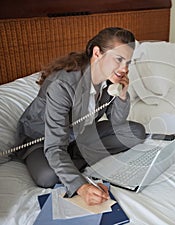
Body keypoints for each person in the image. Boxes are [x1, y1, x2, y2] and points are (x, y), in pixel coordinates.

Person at [15, 27, 146, 205]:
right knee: (47, 177)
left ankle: (73, 157)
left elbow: (117, 122)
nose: (124, 69)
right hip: (42, 139)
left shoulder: (109, 80)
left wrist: (122, 94)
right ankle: (74, 161)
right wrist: (81, 186)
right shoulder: (61, 85)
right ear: (97, 53)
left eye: (128, 63)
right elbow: (54, 146)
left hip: (78, 135)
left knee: (135, 132)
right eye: (119, 59)